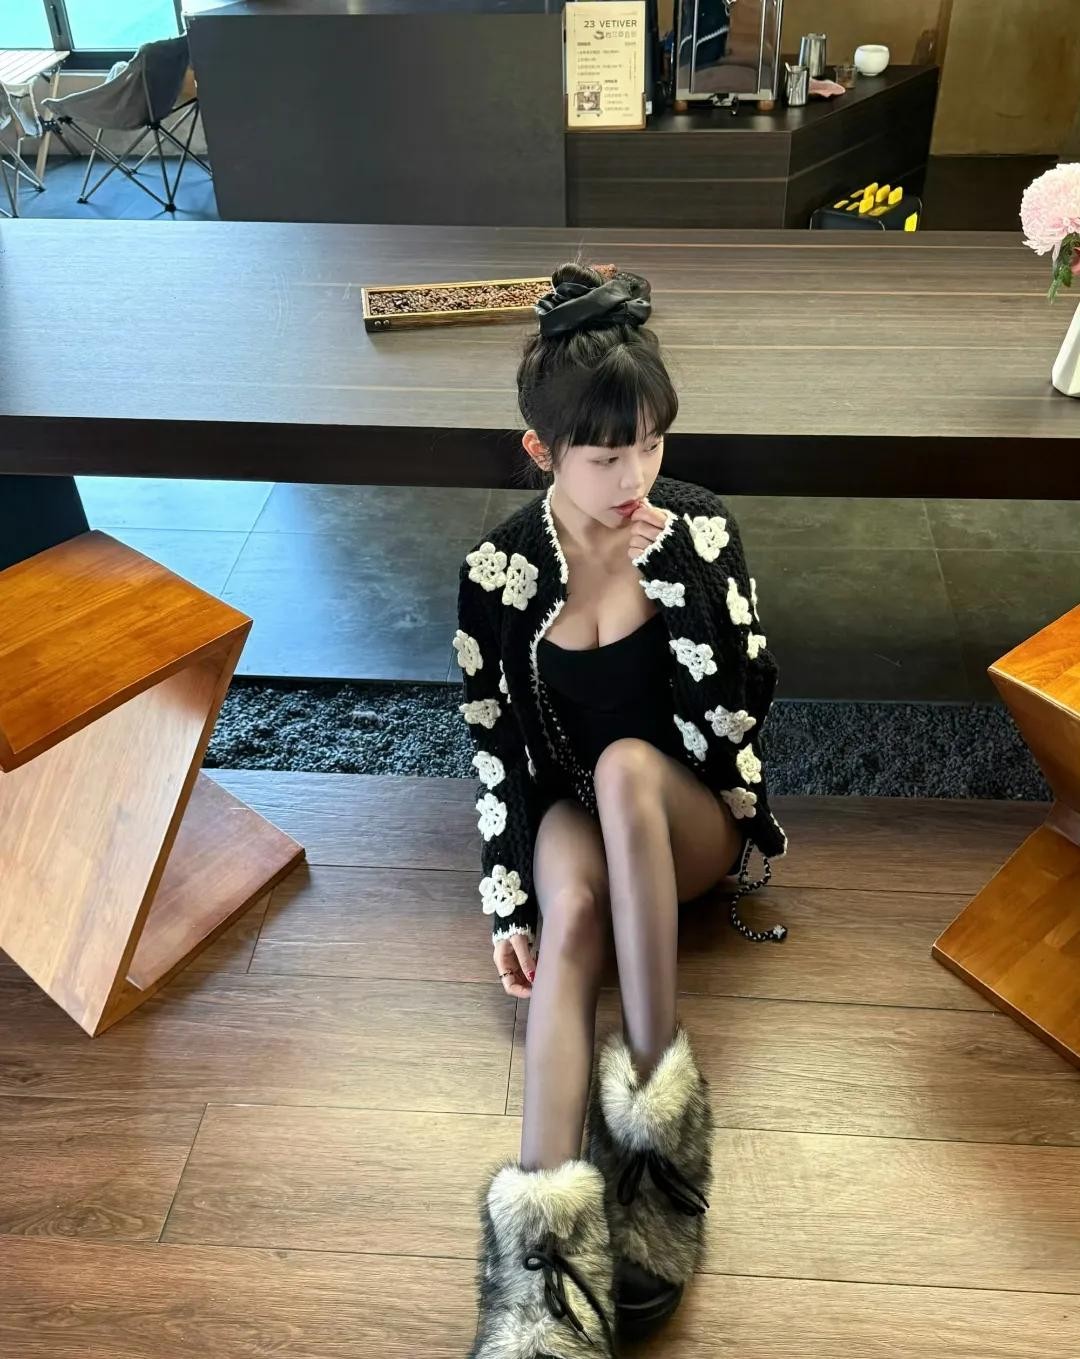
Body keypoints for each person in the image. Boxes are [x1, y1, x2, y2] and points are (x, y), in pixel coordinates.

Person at [456, 260, 789, 1359]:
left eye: (651, 445)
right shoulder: (497, 570)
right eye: (606, 456)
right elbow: (495, 745)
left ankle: (658, 1129)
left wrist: (680, 586)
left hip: (682, 819)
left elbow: (740, 714)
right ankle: (539, 1287)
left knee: (626, 769)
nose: (636, 476)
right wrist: (507, 902)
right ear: (541, 450)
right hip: (571, 814)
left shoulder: (696, 530)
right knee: (570, 924)